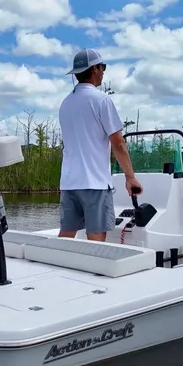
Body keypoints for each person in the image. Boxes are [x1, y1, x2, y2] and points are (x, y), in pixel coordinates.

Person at [57, 48, 143, 242]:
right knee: (96, 236)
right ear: (95, 68)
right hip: (94, 183)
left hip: (69, 183)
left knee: (66, 235)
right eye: (103, 67)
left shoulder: (66, 103)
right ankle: (92, 273)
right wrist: (130, 178)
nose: (104, 71)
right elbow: (118, 143)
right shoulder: (102, 100)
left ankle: (56, 270)